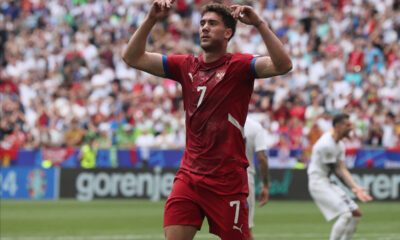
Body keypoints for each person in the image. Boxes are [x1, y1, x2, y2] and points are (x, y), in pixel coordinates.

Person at [122, 1, 292, 239]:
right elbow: (132, 57)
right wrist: (151, 19)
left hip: (227, 181)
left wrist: (259, 24)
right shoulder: (185, 65)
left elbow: (283, 65)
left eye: (212, 23)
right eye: (202, 23)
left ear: (228, 32)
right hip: (189, 177)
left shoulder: (240, 65)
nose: (204, 28)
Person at [307, 113, 373, 240]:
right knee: (346, 215)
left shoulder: (340, 144)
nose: (351, 128)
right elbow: (337, 171)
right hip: (317, 183)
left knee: (356, 214)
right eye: (348, 125)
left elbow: (342, 168)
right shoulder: (326, 144)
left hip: (326, 181)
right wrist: (352, 187)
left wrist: (356, 187)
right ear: (338, 126)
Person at [243, 117, 270, 240]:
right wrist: (265, 185)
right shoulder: (254, 126)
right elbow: (262, 159)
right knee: (245, 231)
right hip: (244, 178)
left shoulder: (219, 120)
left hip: (219, 177)